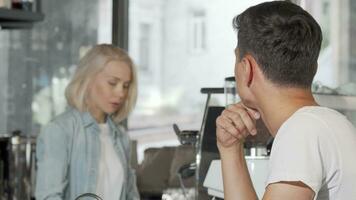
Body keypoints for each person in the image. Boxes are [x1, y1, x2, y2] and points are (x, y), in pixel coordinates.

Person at [216, 1, 356, 200]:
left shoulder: (301, 130)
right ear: (314, 68)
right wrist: (230, 149)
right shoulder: (327, 124)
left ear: (247, 69)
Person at [35, 44, 140, 200]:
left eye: (125, 86)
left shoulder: (120, 136)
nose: (121, 93)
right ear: (88, 79)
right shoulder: (60, 130)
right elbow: (48, 197)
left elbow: (131, 195)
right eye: (112, 83)